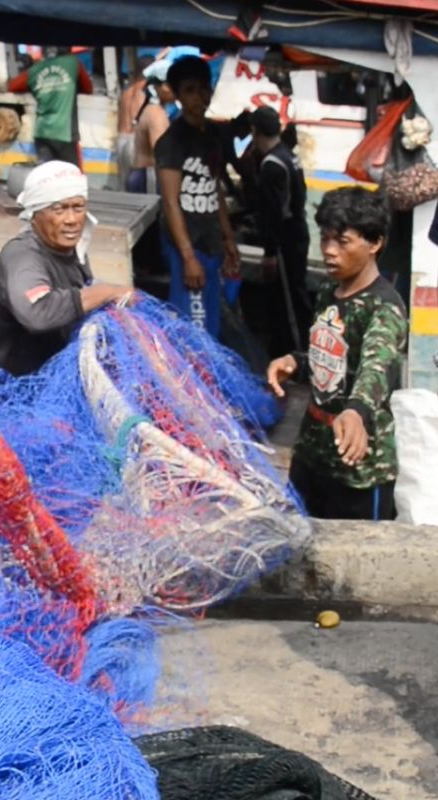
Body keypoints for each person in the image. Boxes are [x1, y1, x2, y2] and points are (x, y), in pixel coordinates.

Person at [267, 188, 407, 520]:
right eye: (325, 239)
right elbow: (328, 355)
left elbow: (375, 367)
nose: (329, 251)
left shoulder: (385, 308)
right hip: (312, 454)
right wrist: (296, 363)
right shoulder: (330, 292)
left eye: (342, 242)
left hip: (358, 468)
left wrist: (356, 411)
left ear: (374, 244)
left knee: (359, 562)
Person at [0, 161, 131, 376]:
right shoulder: (23, 257)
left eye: (78, 208)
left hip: (48, 382)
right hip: (3, 390)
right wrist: (105, 292)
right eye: (59, 209)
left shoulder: (72, 250)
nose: (72, 220)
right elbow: (38, 313)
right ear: (36, 214)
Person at [155, 55, 240, 338]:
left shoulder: (213, 134)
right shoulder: (171, 141)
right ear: (177, 95)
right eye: (190, 90)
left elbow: (216, 188)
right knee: (190, 322)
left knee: (211, 319)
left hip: (211, 240)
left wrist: (229, 240)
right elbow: (170, 202)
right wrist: (188, 256)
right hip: (186, 244)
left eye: (204, 88)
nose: (199, 97)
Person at [250, 105, 311, 354]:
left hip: (285, 240)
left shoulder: (271, 165)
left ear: (255, 131)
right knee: (298, 293)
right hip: (298, 233)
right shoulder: (288, 155)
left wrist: (270, 251)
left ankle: (296, 352)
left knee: (288, 300)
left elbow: (273, 214)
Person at [7, 47, 95, 167]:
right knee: (72, 177)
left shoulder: (35, 70)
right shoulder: (73, 63)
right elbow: (88, 89)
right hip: (65, 134)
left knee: (47, 176)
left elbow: (12, 86)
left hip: (42, 134)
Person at [128, 59, 173, 194]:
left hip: (143, 176)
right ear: (159, 86)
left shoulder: (152, 109)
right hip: (149, 179)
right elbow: (161, 155)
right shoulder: (156, 114)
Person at [114, 53, 154, 191]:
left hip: (121, 139)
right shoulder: (146, 90)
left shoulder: (126, 91)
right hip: (136, 141)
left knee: (123, 185)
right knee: (144, 184)